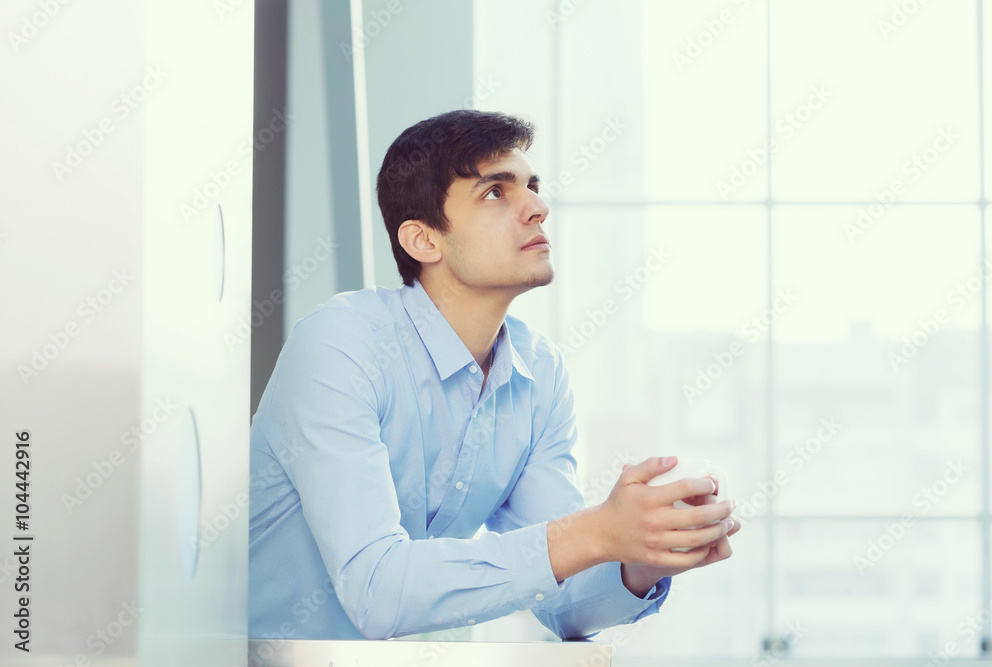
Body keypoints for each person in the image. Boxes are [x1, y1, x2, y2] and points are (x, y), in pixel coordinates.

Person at [248, 109, 740, 641]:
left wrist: (638, 557)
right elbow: (377, 589)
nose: (537, 207)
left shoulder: (541, 375)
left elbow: (566, 606)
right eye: (495, 193)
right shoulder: (340, 344)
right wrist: (595, 531)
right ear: (423, 240)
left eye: (532, 186)